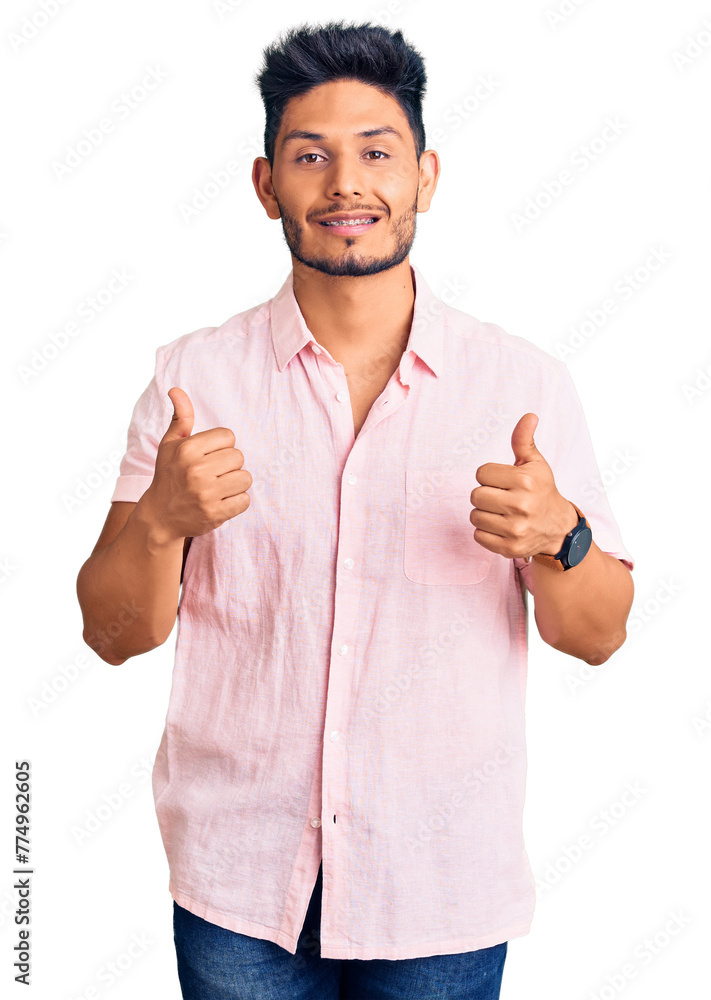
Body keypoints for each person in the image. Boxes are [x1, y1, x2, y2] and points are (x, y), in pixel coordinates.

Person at [76, 19, 635, 1000]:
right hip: (240, 889)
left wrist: (564, 537)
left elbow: (597, 637)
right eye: (311, 155)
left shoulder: (519, 384)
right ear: (265, 186)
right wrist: (160, 521)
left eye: (377, 152)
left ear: (425, 176)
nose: (346, 184)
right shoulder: (191, 382)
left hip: (443, 892)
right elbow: (112, 633)